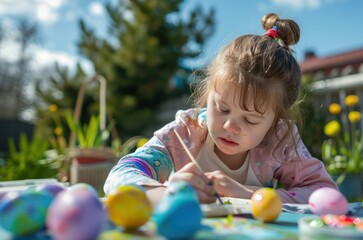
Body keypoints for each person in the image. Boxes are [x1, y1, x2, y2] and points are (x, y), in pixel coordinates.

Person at [104, 13, 338, 205]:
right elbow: (120, 174)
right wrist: (165, 193)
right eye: (222, 109)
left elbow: (325, 194)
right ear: (208, 95)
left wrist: (249, 194)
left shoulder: (279, 141)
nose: (230, 126)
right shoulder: (185, 133)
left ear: (275, 120)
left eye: (251, 120)